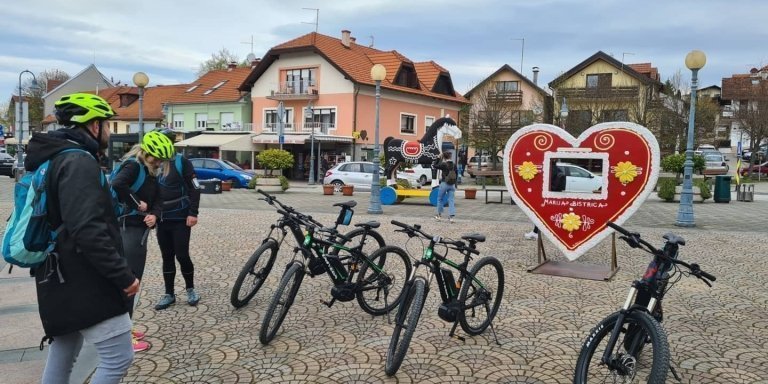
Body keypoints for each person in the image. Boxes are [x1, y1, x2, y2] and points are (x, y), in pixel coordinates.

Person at [26, 93, 139, 383]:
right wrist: (123, 276)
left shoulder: (56, 156)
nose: (110, 132)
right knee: (118, 357)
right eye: (107, 124)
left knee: (64, 351)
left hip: (57, 274)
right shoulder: (78, 161)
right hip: (84, 278)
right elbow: (87, 229)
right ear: (93, 125)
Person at [110, 131, 176, 352]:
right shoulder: (133, 166)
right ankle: (122, 337)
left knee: (132, 280)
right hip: (127, 229)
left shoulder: (151, 170)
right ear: (145, 151)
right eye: (155, 158)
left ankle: (123, 327)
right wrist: (137, 203)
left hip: (140, 230)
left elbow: (158, 199)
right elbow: (117, 184)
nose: (158, 163)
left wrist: (154, 215)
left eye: (160, 160)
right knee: (129, 282)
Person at [154, 129, 202, 310]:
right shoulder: (154, 162)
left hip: (181, 217)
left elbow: (195, 188)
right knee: (167, 256)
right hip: (162, 218)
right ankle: (169, 293)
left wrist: (193, 213)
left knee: (182, 255)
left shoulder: (182, 162)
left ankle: (190, 289)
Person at [525, 160, 566, 240]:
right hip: (554, 195)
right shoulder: (557, 169)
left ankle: (535, 233)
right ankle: (537, 232)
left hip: (548, 195)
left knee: (541, 215)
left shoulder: (549, 169)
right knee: (549, 216)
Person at [434, 151, 458, 223]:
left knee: (440, 199)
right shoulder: (454, 165)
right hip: (452, 184)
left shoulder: (443, 164)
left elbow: (435, 165)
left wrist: (438, 158)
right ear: (450, 156)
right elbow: (456, 174)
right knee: (451, 200)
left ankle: (439, 216)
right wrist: (455, 184)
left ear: (444, 157)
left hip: (444, 183)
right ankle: (451, 217)